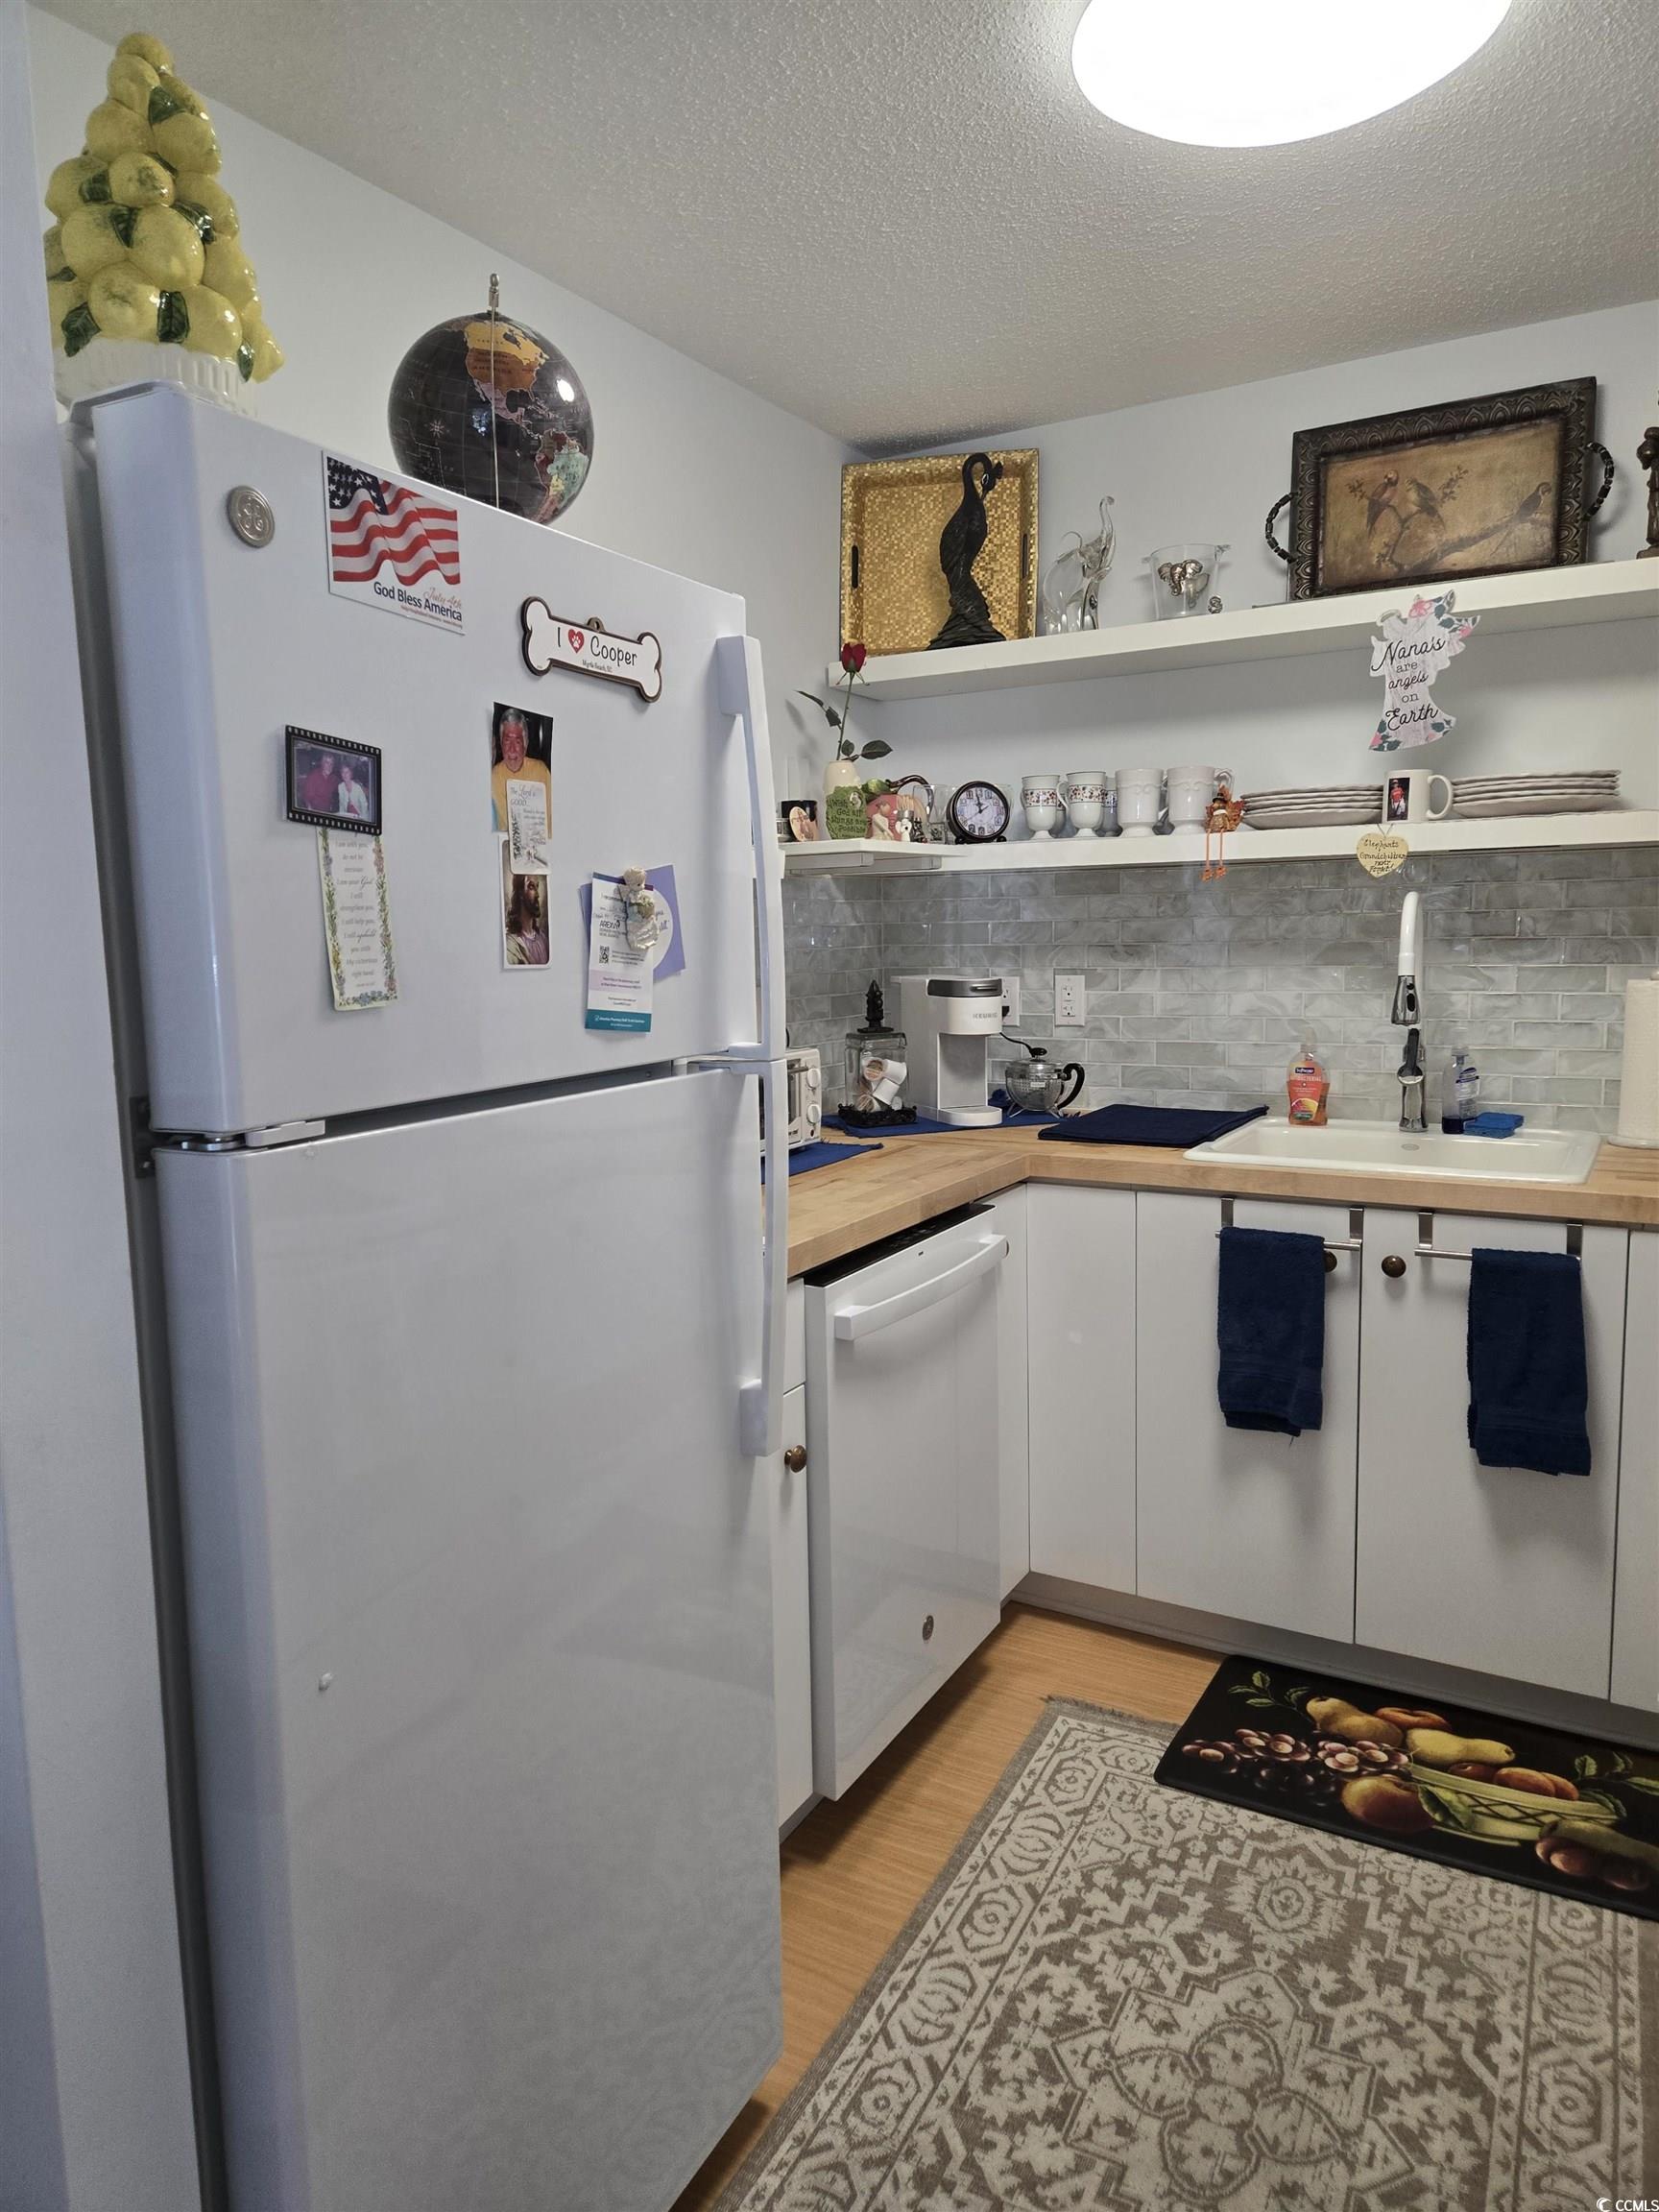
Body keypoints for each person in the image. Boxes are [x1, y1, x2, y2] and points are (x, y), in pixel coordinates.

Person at [492, 709, 552, 831]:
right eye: (507, 741)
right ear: (501, 744)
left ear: (525, 745)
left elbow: (551, 821)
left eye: (518, 742)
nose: (512, 749)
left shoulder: (541, 772)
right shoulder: (494, 776)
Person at [505, 872, 548, 967]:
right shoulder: (511, 944)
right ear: (520, 893)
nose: (537, 895)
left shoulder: (543, 939)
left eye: (537, 886)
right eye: (531, 887)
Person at [300, 749, 338, 814]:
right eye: (327, 763)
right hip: (315, 812)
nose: (329, 766)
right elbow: (306, 798)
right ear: (322, 763)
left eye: (331, 764)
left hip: (328, 812)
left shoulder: (333, 779)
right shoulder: (313, 776)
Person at [337, 757, 372, 821]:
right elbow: (341, 805)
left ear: (351, 773)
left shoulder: (357, 787)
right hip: (348, 817)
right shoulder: (340, 787)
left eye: (347, 772)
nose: (345, 774)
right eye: (343, 772)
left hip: (361, 817)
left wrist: (364, 821)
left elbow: (364, 807)